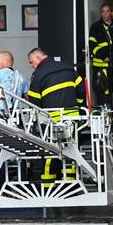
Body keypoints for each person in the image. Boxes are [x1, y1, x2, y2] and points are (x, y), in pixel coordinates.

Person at [26, 48, 85, 185]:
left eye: (31, 62)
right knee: (71, 149)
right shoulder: (68, 69)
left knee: (50, 151)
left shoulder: (38, 74)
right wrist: (76, 106)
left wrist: (35, 119)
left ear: (39, 58)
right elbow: (81, 91)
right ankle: (70, 182)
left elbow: (34, 102)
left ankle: (48, 184)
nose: (31, 66)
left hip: (51, 121)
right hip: (72, 118)